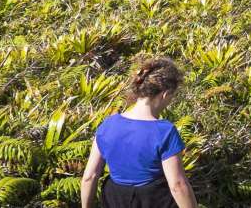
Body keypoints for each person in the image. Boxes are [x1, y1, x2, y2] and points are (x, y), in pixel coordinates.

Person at [80, 57, 196, 208]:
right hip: (153, 199)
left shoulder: (108, 124)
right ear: (165, 94)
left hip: (114, 197)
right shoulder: (164, 131)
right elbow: (177, 185)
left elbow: (89, 177)